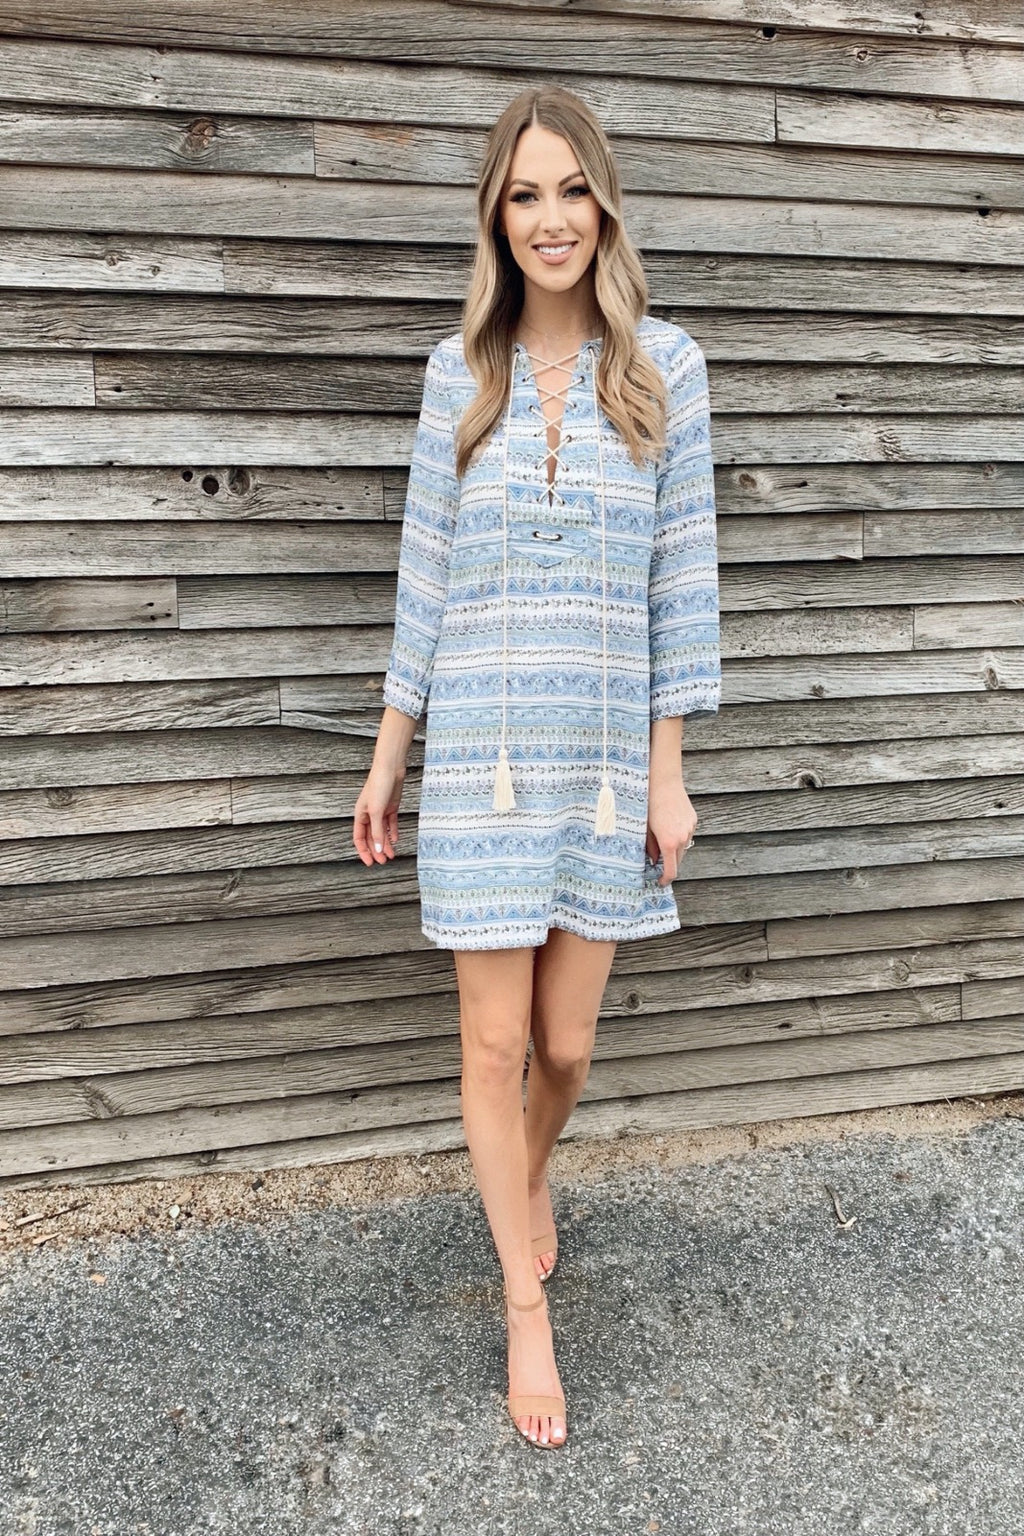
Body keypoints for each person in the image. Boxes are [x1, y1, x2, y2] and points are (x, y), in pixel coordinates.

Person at [353, 84, 721, 1451]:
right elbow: (424, 579)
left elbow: (685, 580)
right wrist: (388, 758)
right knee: (493, 1042)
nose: (550, 219)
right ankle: (523, 1302)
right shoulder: (459, 373)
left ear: (603, 208)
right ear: (496, 218)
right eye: (525, 194)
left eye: (572, 191)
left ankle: (530, 1171)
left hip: (605, 770)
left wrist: (670, 769)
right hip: (480, 767)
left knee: (565, 1046)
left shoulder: (665, 368)